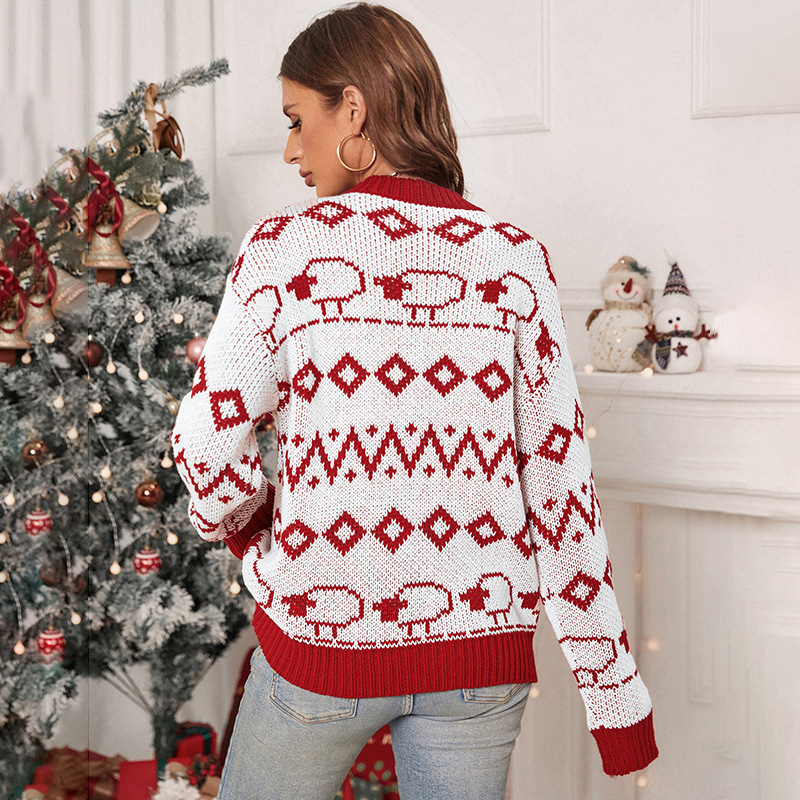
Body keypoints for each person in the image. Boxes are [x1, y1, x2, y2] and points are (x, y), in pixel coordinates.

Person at [170, 4, 659, 798]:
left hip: (321, 647)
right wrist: (615, 705)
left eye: (296, 119)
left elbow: (204, 448)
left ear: (352, 109)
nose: (291, 149)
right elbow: (562, 493)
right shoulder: (515, 262)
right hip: (478, 663)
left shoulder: (285, 252)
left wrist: (263, 540)